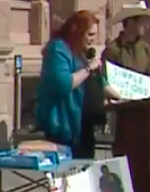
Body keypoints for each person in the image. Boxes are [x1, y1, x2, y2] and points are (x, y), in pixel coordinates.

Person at [35, 10, 121, 159]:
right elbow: (63, 83)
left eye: (95, 35)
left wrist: (123, 96)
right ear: (77, 32)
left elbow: (101, 82)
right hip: (65, 125)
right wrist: (88, 69)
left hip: (85, 126)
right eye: (90, 34)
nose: (93, 39)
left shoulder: (82, 52)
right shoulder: (58, 49)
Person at [103, 0, 150, 76]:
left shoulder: (145, 49)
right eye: (143, 21)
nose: (147, 26)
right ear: (130, 22)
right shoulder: (113, 50)